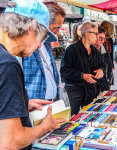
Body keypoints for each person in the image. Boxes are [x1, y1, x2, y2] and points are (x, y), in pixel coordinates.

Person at [0, 0, 66, 149]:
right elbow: (10, 142)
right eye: (41, 38)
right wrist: (44, 126)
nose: (39, 45)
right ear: (29, 29)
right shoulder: (7, 64)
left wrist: (21, 103)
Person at [22, 1, 66, 100]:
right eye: (56, 27)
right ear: (44, 22)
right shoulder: (25, 45)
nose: (57, 32)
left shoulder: (47, 42)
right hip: (34, 106)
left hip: (51, 102)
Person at [60, 22, 105, 115]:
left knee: (90, 116)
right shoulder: (71, 49)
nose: (97, 37)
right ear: (87, 34)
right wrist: (82, 76)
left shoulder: (95, 51)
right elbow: (64, 71)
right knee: (72, 117)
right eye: (95, 34)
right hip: (74, 91)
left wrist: (101, 70)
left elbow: (103, 65)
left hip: (91, 91)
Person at [93, 26, 113, 91]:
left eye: (103, 38)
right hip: (93, 87)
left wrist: (108, 81)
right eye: (100, 38)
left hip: (104, 86)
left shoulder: (105, 51)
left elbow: (110, 67)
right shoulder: (88, 51)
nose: (102, 40)